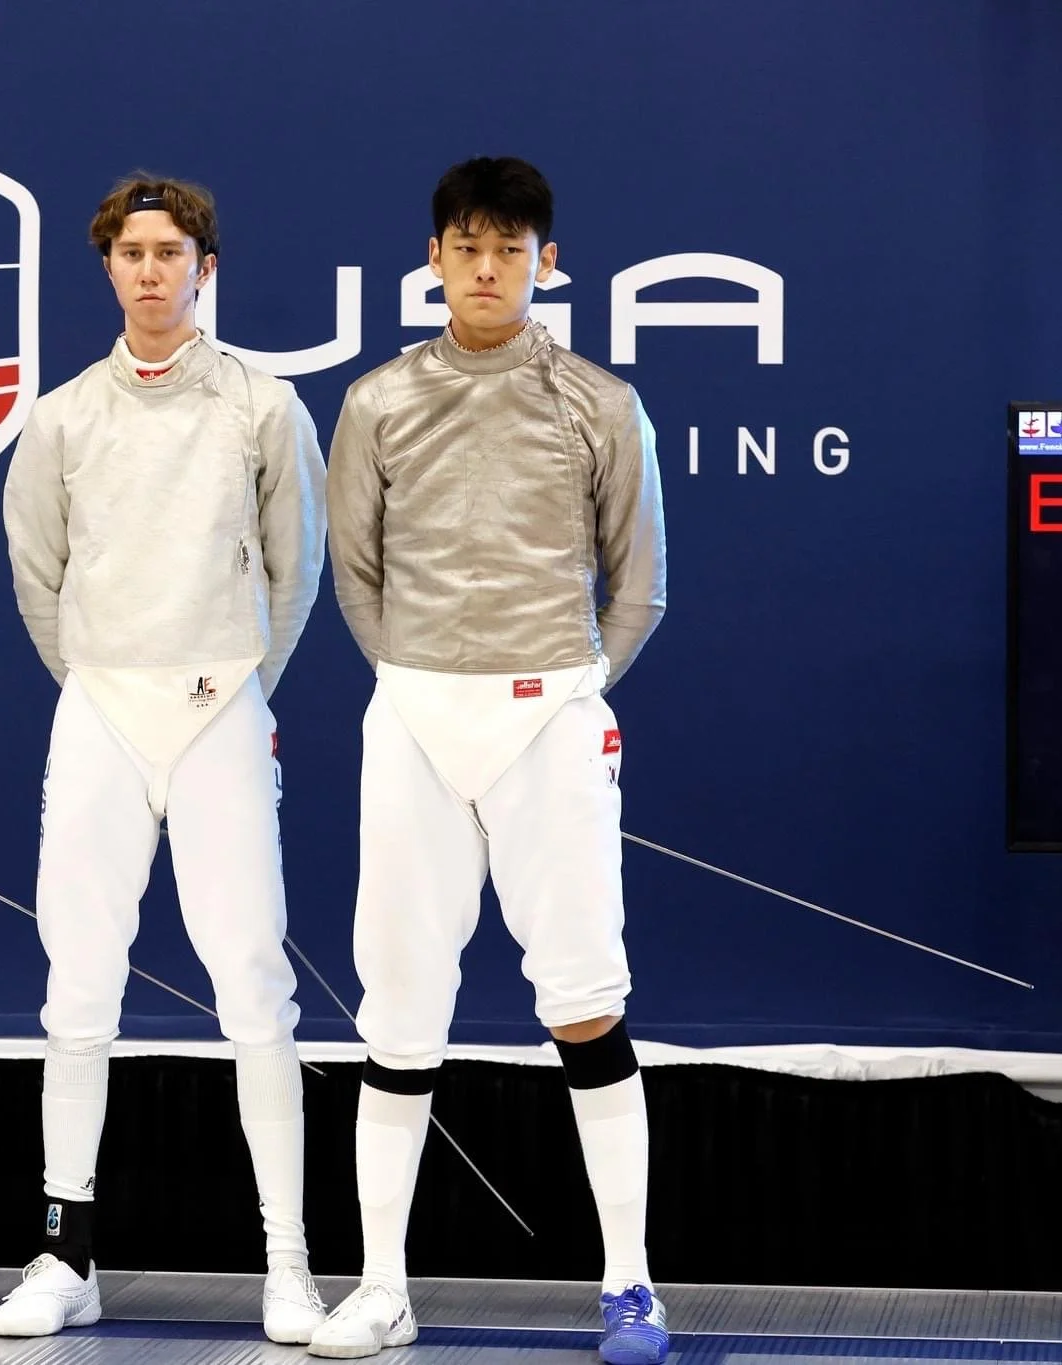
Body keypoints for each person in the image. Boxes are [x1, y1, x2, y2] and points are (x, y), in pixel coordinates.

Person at [308, 156, 669, 1365]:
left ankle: (629, 1284)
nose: (483, 269)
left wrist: (565, 689)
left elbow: (637, 584)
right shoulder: (375, 402)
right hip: (412, 718)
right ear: (433, 259)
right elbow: (353, 573)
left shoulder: (598, 402)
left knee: (583, 994)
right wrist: (420, 680)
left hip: (548, 718)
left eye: (507, 251)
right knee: (398, 1003)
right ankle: (380, 1288)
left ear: (543, 264)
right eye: (464, 248)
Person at [0, 175, 329, 1344]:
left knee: (253, 985)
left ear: (204, 268)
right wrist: (103, 678)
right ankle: (63, 1255)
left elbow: (295, 570)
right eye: (131, 252)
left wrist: (230, 682)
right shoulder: (62, 417)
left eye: (169, 251)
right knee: (77, 986)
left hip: (220, 705)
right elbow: (37, 573)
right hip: (98, 707)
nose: (149, 270)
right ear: (107, 268)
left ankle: (287, 1266)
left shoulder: (262, 406)